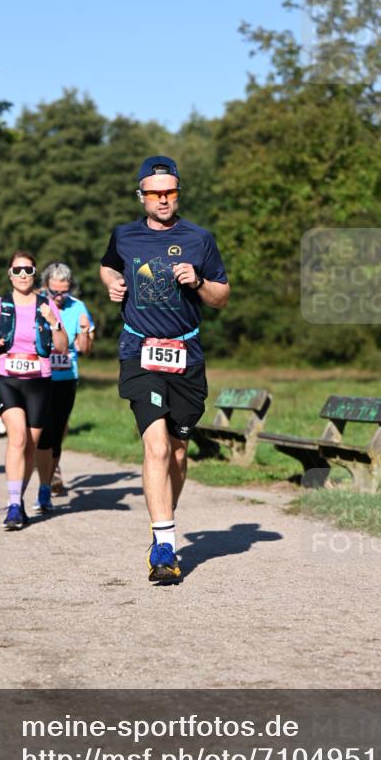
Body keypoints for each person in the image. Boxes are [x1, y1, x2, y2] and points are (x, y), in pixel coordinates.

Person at [100, 155, 230, 583]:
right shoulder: (124, 236)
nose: (162, 199)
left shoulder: (200, 239)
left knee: (177, 452)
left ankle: (165, 523)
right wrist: (111, 284)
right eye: (154, 193)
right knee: (155, 446)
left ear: (178, 193)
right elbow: (108, 265)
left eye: (169, 192)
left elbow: (222, 297)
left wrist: (198, 282)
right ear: (142, 195)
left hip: (186, 355)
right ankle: (164, 546)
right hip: (139, 351)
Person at [0, 251, 68, 530]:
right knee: (17, 437)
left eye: (28, 270)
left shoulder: (47, 304)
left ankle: (19, 499)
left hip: (39, 379)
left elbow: (62, 346)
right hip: (6, 377)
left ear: (34, 272)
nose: (23, 275)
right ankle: (14, 504)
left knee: (29, 445)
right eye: (17, 270)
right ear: (10, 274)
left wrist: (53, 321)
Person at [33, 262, 95, 511]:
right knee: (41, 433)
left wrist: (83, 331)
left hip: (66, 377)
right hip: (37, 377)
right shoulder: (35, 303)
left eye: (64, 291)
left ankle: (46, 484)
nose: (59, 297)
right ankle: (43, 485)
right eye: (54, 291)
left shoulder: (78, 307)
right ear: (45, 286)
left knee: (56, 433)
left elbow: (87, 350)